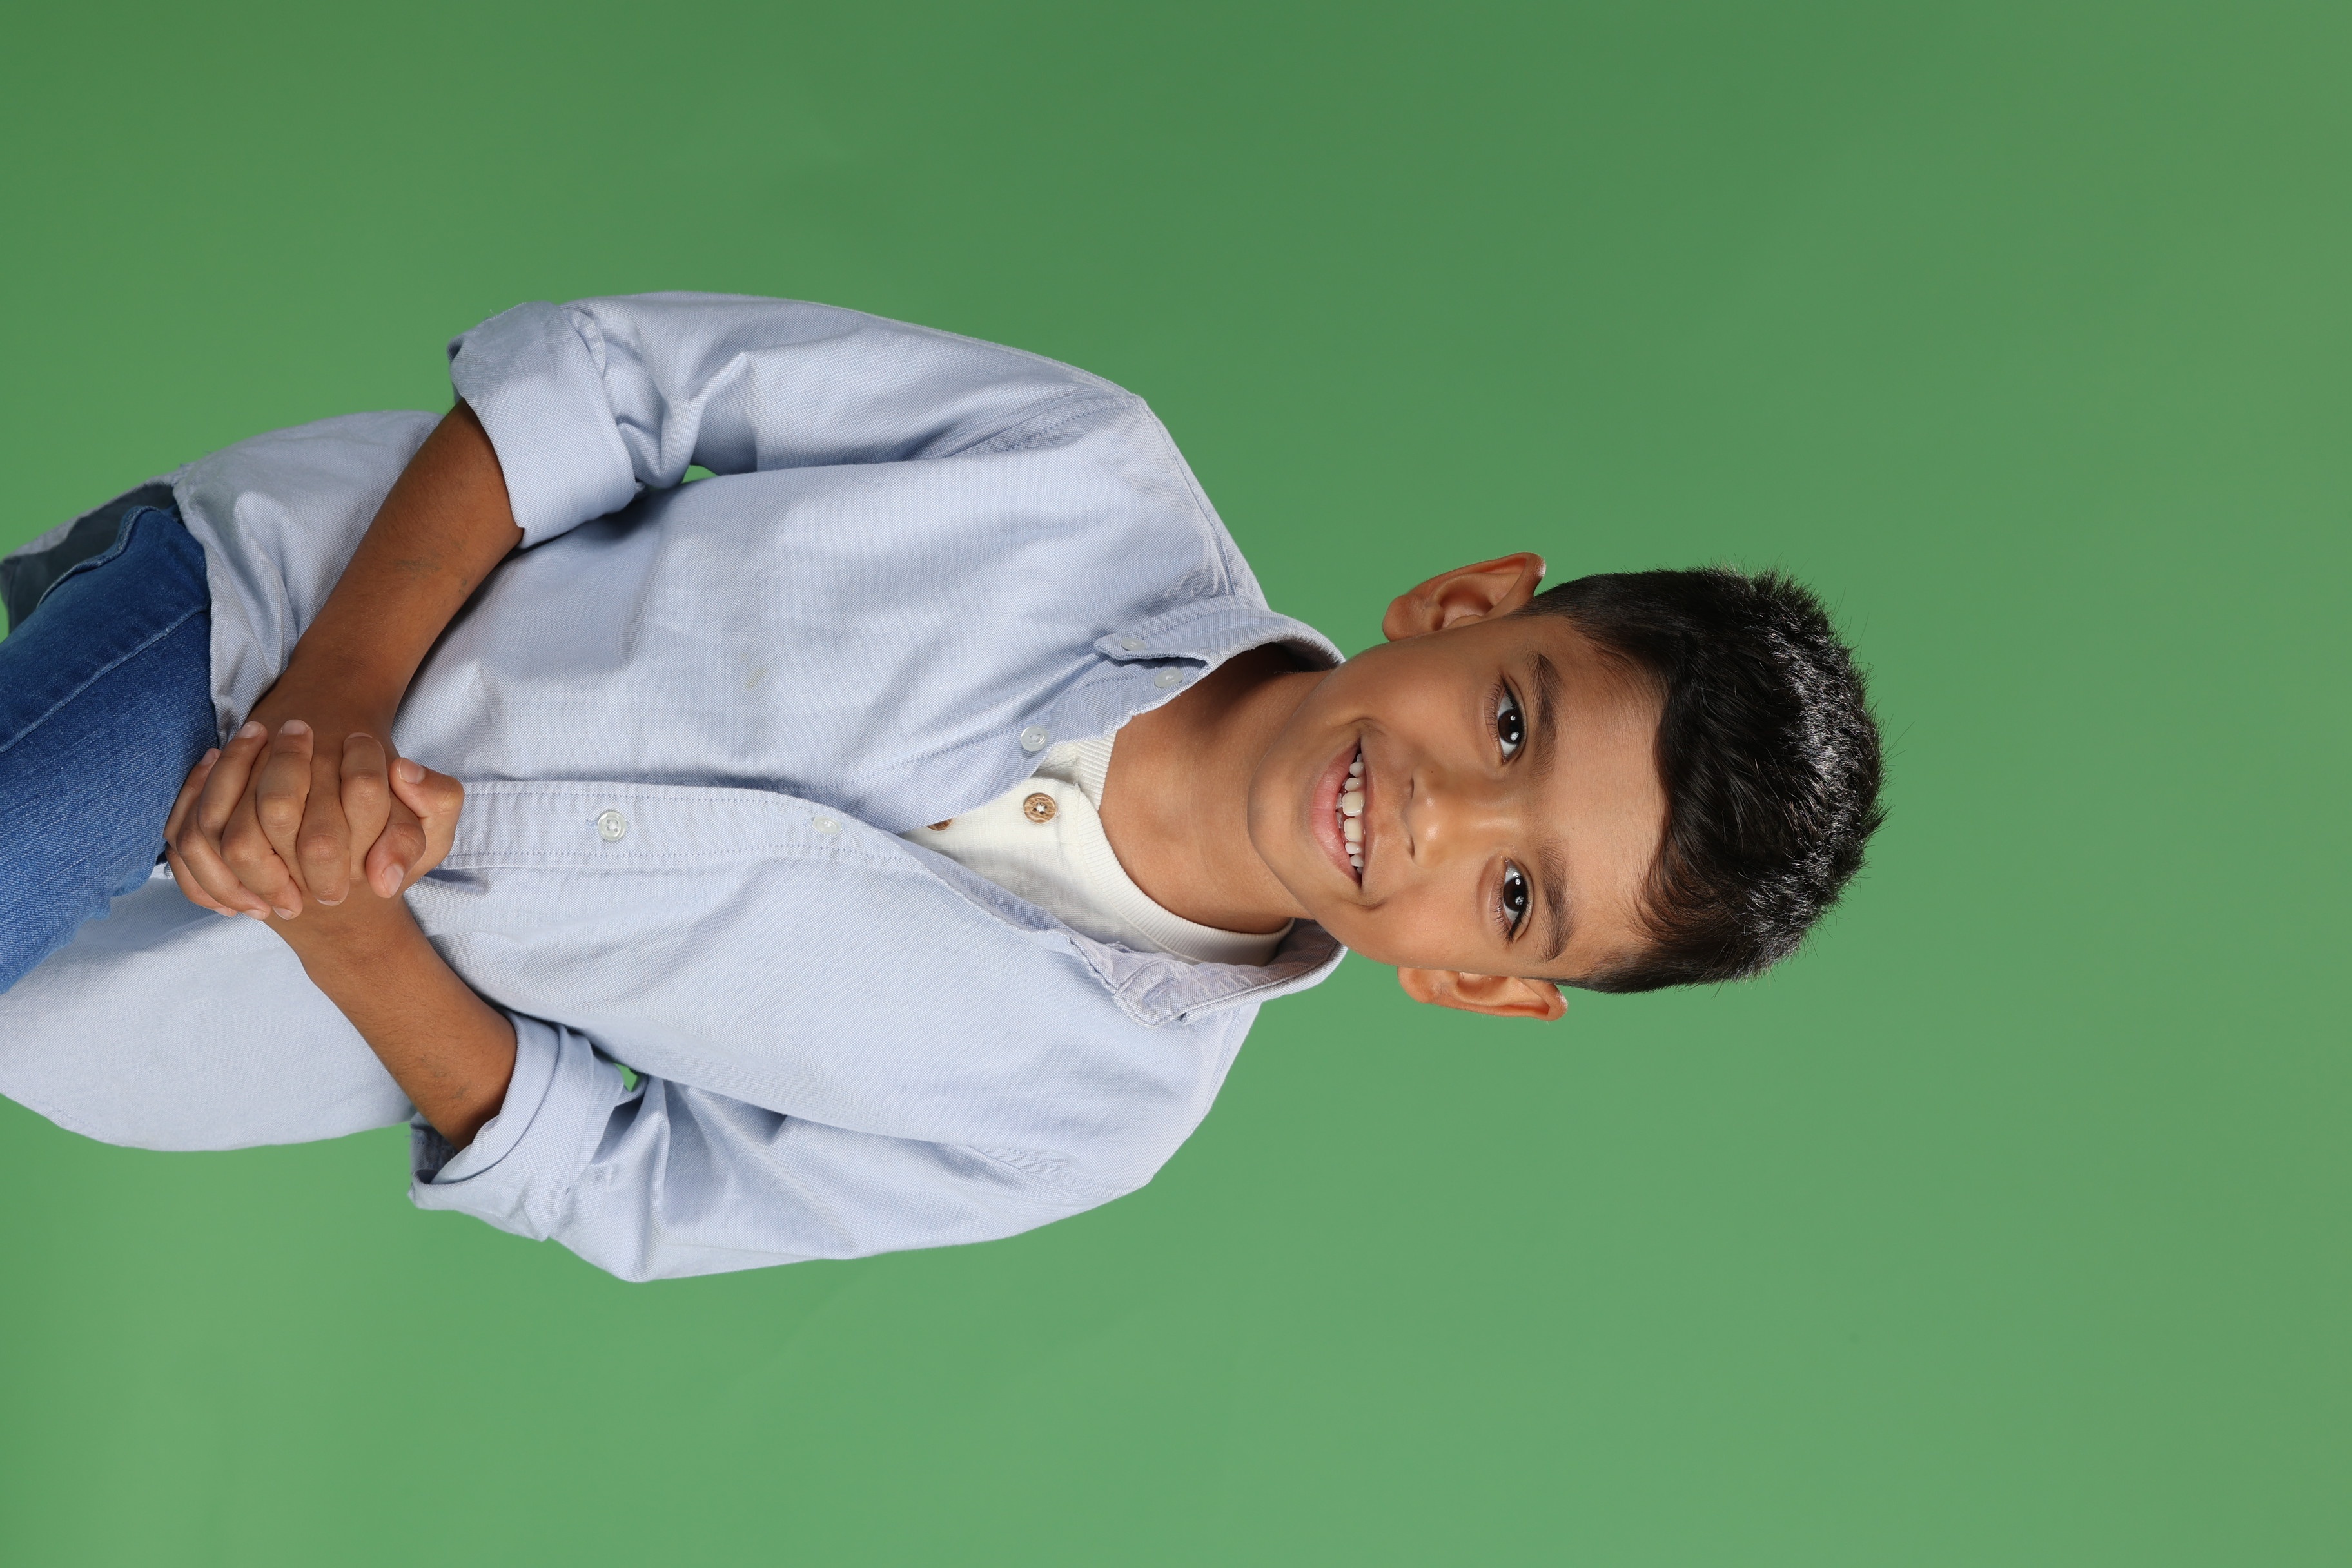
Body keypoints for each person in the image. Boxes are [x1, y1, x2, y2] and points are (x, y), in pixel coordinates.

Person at [0, 293, 1884, 1280]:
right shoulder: (1082, 469)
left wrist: (348, 929)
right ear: (1466, 609)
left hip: (206, 1010)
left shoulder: (1087, 1125)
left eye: (1519, 894)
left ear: (1481, 981)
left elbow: (628, 1180)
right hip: (260, 622)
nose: (1443, 816)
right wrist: (333, 704)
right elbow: (617, 384)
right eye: (1512, 728)